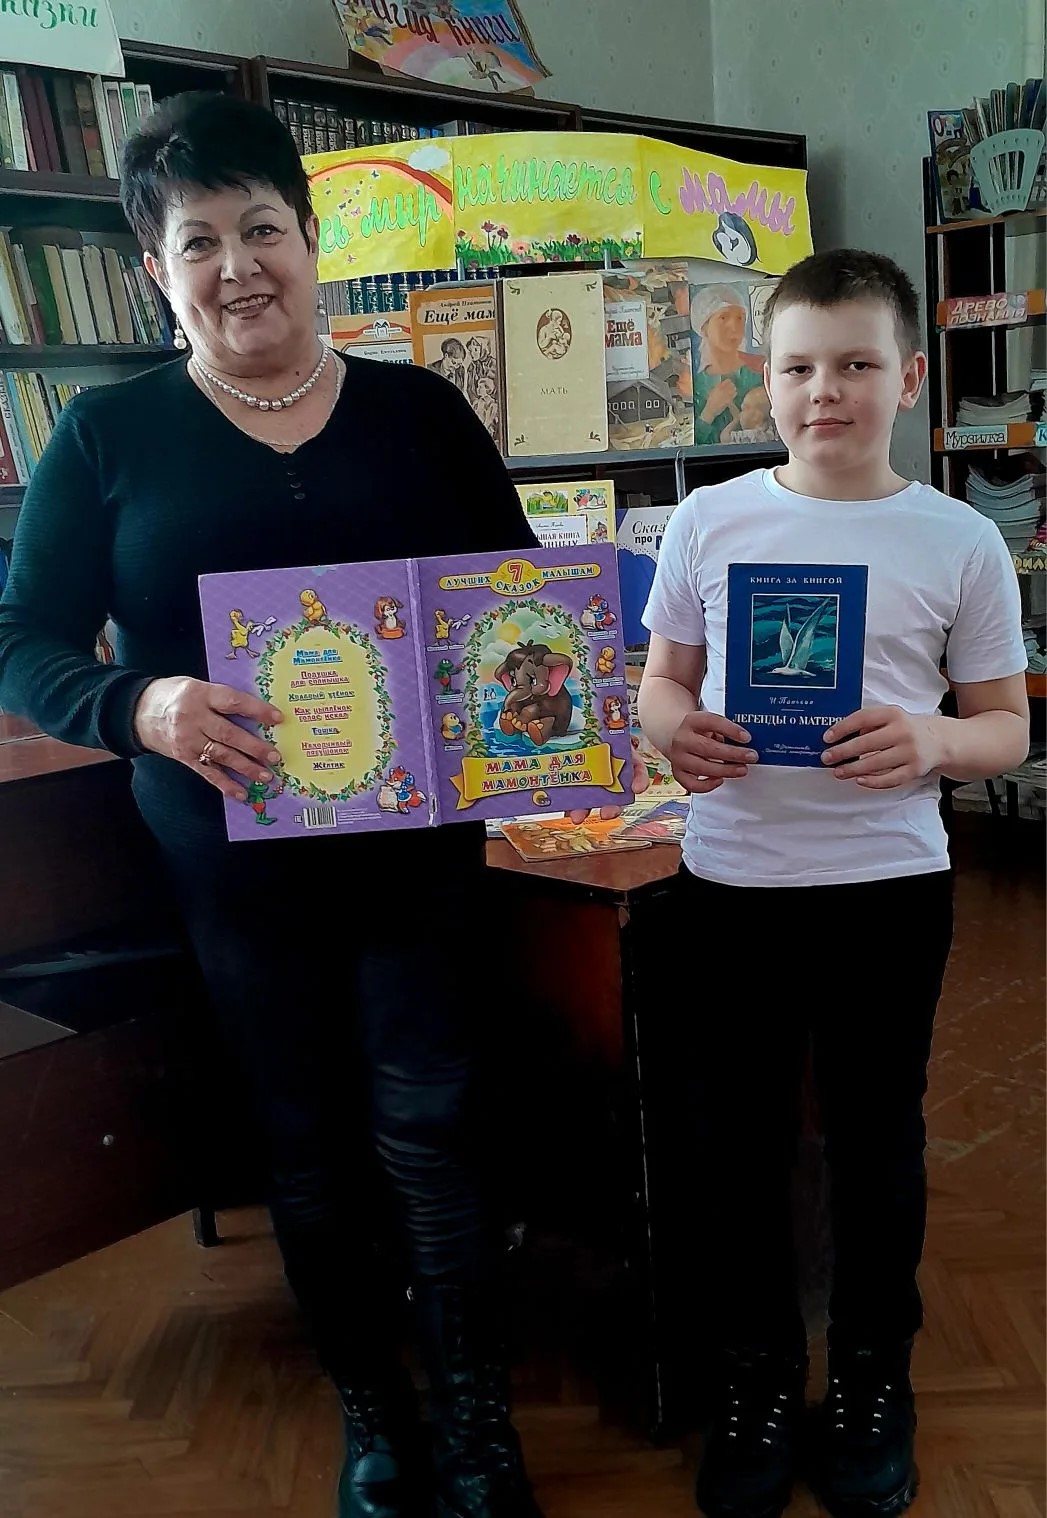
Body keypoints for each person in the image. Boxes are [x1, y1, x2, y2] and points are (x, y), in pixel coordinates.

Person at [0, 90, 640, 1518]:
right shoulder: (106, 437)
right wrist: (139, 705)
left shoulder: (420, 414)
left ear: (309, 238)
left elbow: (517, 604)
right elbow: (21, 642)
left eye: (261, 228)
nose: (238, 266)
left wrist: (554, 703)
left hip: (418, 865)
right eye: (199, 240)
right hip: (235, 872)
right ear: (155, 270)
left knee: (434, 1127)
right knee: (307, 1143)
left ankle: (475, 1428)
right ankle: (376, 1420)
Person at [638, 249, 1028, 1518]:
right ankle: (756, 1378)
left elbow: (1007, 728)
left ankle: (870, 1375)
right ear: (766, 378)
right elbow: (660, 684)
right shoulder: (710, 520)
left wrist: (932, 741)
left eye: (858, 364)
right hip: (731, 884)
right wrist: (675, 732)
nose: (826, 392)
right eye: (800, 366)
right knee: (736, 1146)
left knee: (876, 1141)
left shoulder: (960, 538)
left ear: (909, 379)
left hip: (886, 891)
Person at [689, 283, 766, 447]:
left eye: (740, 318)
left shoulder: (760, 370)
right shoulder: (696, 386)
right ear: (704, 327)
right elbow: (693, 445)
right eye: (723, 317)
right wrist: (709, 412)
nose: (734, 327)